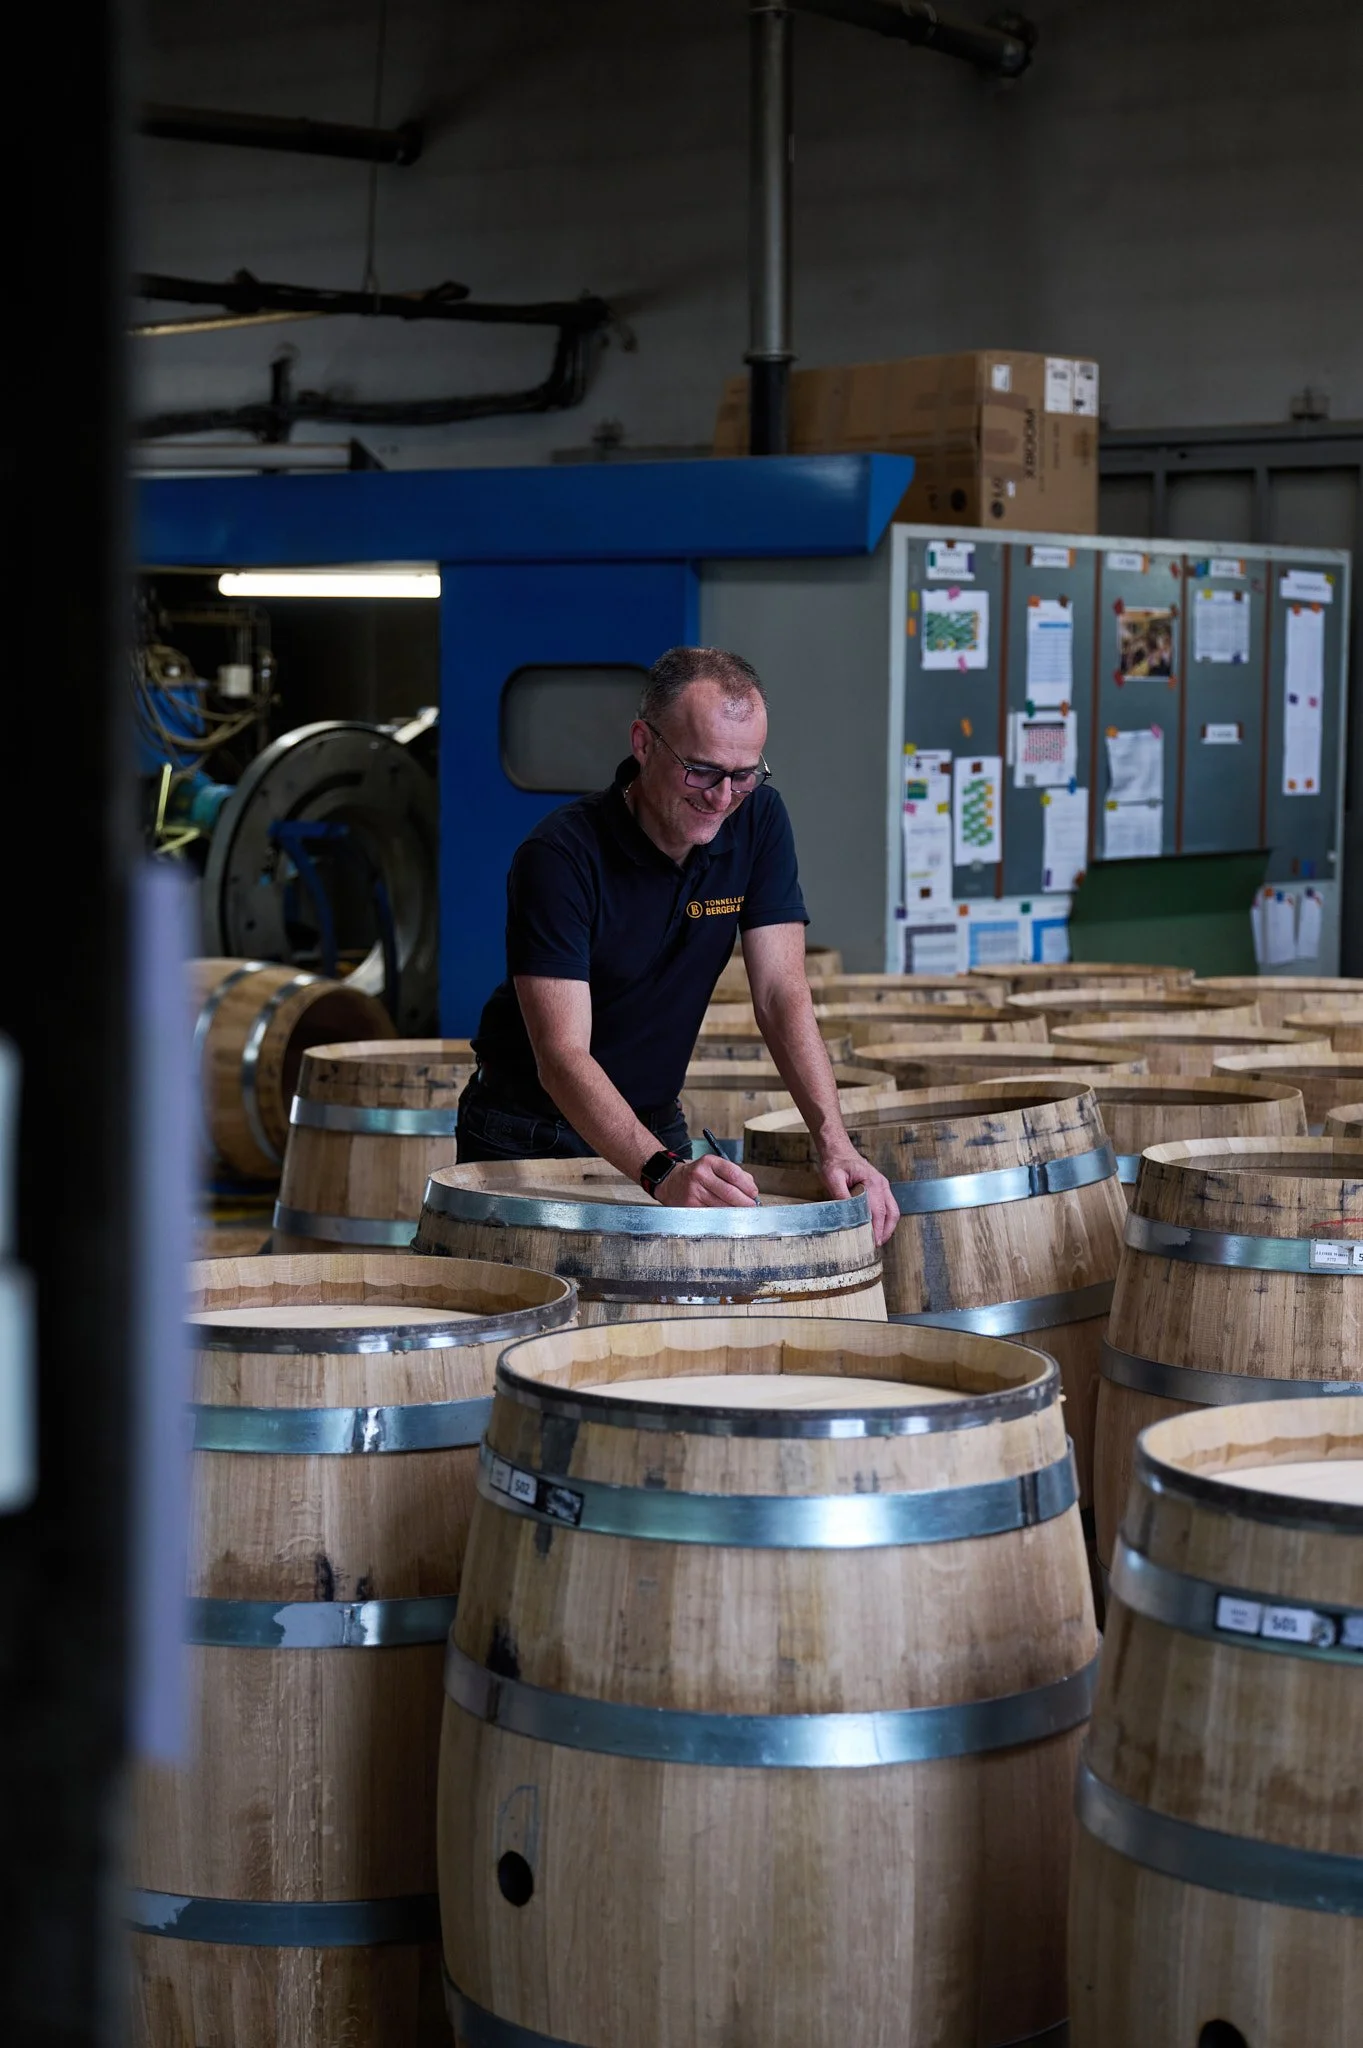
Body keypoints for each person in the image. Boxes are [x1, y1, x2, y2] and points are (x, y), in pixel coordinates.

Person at [457, 646, 899, 1243]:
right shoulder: (560, 856)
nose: (722, 797)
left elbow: (780, 993)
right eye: (702, 770)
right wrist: (664, 1170)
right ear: (643, 743)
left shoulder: (758, 819)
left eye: (743, 774)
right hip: (527, 1129)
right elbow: (562, 1056)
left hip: (654, 1118)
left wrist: (834, 1143)